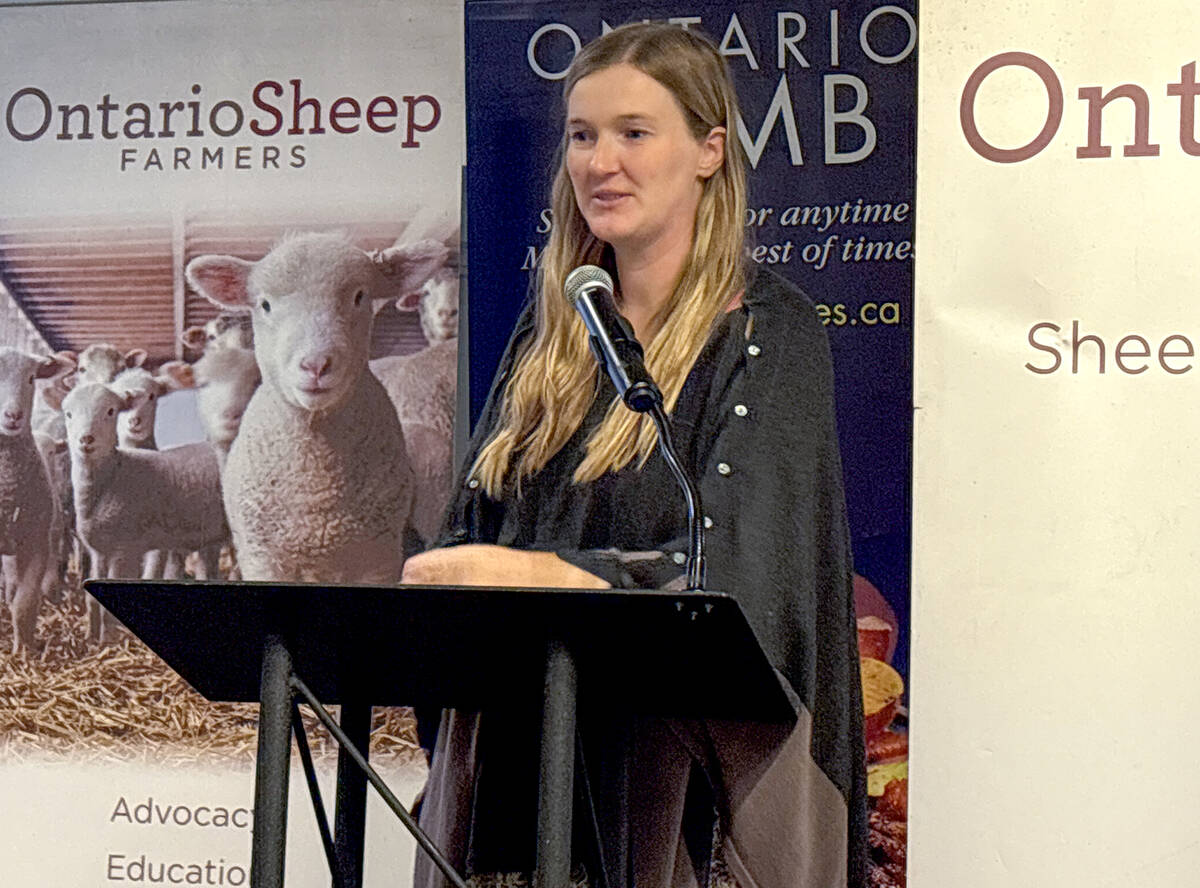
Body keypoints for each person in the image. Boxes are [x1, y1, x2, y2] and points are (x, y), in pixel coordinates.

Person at [403, 21, 866, 888]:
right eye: (583, 136)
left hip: (675, 811)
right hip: (517, 784)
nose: (600, 163)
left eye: (633, 133)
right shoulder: (553, 334)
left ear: (708, 151)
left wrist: (552, 578)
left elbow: (742, 582)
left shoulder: (772, 334)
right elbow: (468, 546)